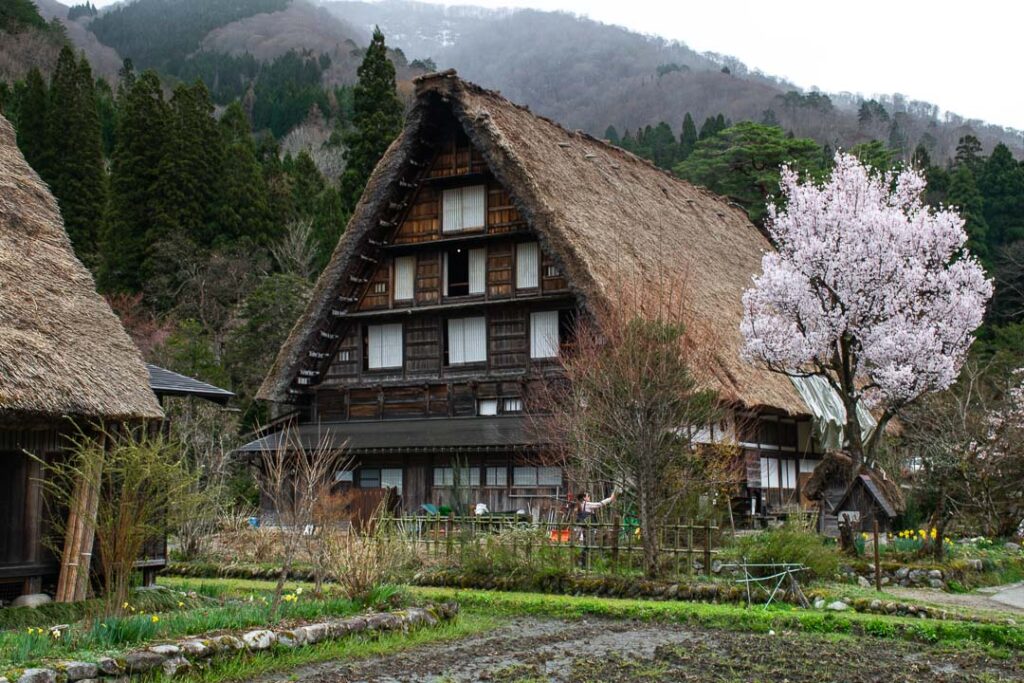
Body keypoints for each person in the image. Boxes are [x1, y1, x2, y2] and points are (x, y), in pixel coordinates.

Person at [575, 490, 616, 567]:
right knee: (589, 546)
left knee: (586, 546)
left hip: (584, 529)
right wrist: (610, 498)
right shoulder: (587, 504)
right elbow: (599, 504)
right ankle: (586, 564)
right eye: (588, 496)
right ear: (584, 498)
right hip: (588, 530)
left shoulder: (580, 504)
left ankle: (584, 564)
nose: (589, 497)